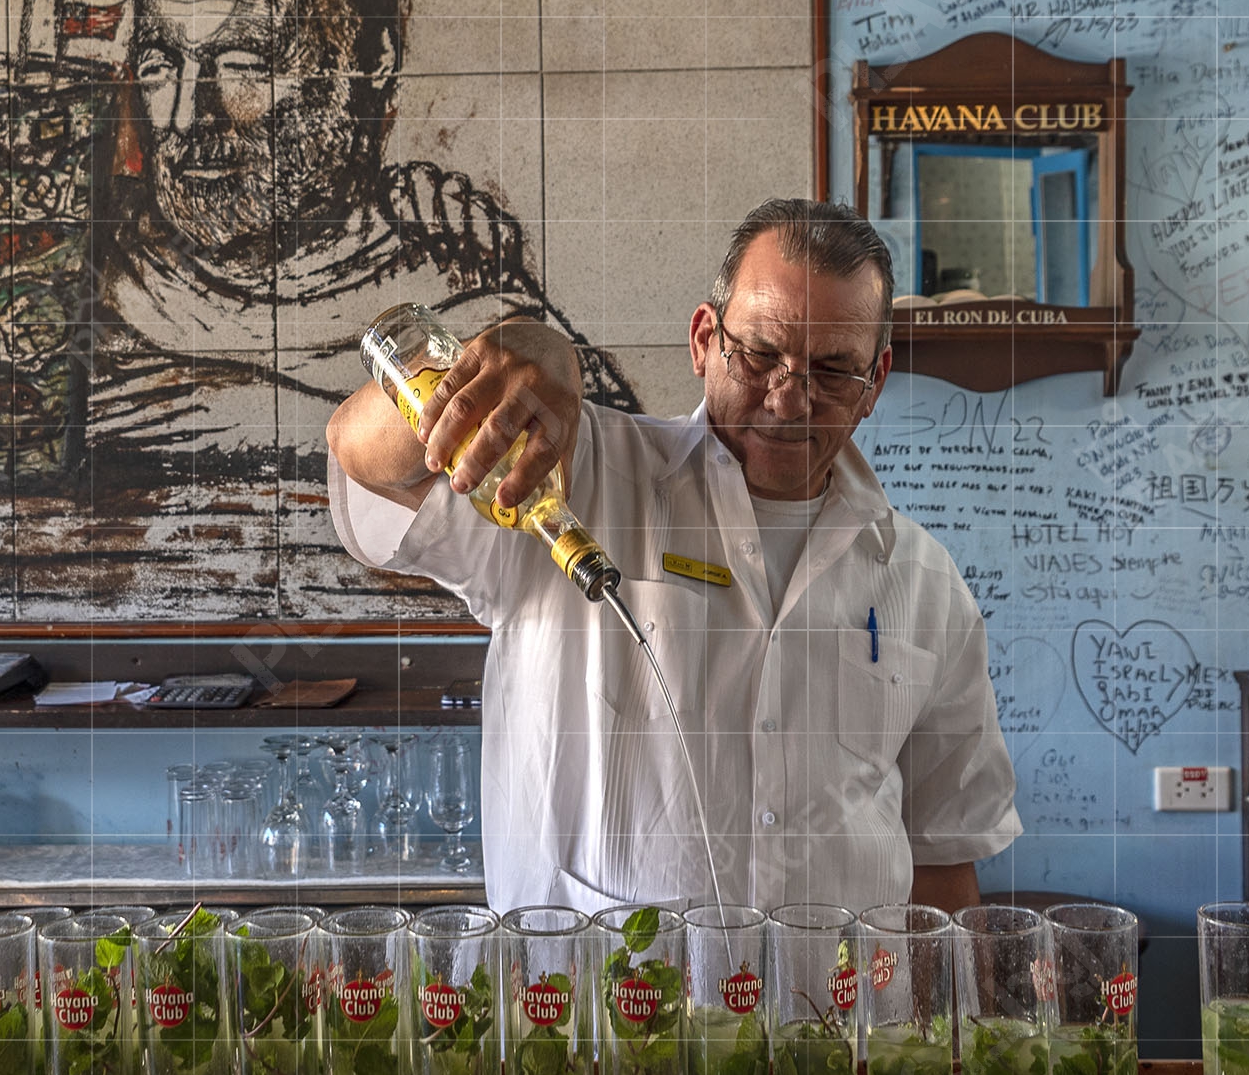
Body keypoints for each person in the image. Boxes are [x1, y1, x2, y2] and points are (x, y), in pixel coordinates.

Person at [326, 198, 1021, 913]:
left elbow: (943, 860)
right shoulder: (577, 472)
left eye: (833, 370)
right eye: (759, 355)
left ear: (874, 383)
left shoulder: (926, 582)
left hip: (839, 1018)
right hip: (587, 1015)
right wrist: (526, 344)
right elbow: (359, 455)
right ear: (702, 339)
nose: (788, 401)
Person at [81, 0, 636, 616]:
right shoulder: (91, 297)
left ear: (370, 63)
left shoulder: (480, 330)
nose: (186, 116)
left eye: (243, 65)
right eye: (159, 67)